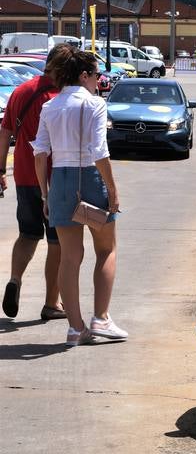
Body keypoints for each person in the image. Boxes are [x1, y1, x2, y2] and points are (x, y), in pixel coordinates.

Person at [32, 48, 127, 347]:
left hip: (59, 179)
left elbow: (40, 153)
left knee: (70, 258)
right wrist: (112, 189)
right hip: (89, 176)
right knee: (106, 249)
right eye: (97, 75)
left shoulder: (50, 107)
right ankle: (101, 318)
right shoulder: (95, 104)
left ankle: (76, 328)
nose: (99, 80)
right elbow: (100, 151)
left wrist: (45, 194)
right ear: (84, 75)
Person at [0, 44, 69, 321]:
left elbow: (5, 133)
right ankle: (51, 303)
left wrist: (0, 169)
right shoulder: (60, 97)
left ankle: (15, 279)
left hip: (24, 176)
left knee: (28, 234)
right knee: (57, 242)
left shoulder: (21, 91)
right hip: (54, 179)